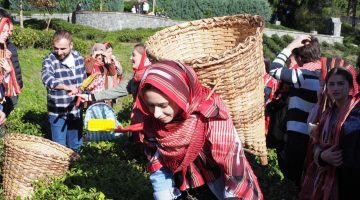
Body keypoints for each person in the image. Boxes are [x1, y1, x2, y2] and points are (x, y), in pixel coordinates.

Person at [135, 60, 263, 199]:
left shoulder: (209, 113)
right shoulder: (152, 121)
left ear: (181, 95)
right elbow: (155, 158)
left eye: (163, 105)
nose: (156, 113)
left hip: (217, 186)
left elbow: (231, 160)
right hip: (179, 188)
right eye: (150, 105)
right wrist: (163, 194)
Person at [300, 67, 360, 200]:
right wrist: (322, 156)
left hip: (352, 179)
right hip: (330, 176)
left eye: (341, 84)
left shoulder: (357, 111)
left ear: (350, 86)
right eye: (331, 84)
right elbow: (315, 143)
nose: (336, 88)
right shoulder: (327, 114)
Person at [269, 35, 321, 186]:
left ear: (299, 58)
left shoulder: (303, 75)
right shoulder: (322, 74)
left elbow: (274, 69)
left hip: (299, 135)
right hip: (316, 136)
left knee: (293, 176)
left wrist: (290, 46)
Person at [41, 30, 86, 151]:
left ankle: (75, 168)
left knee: (76, 145)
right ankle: (60, 169)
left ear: (71, 45)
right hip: (57, 112)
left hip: (76, 110)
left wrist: (86, 93)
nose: (59, 52)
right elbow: (47, 79)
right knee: (59, 148)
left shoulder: (78, 58)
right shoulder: (49, 60)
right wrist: (66, 87)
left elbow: (83, 80)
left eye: (63, 49)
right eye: (56, 48)